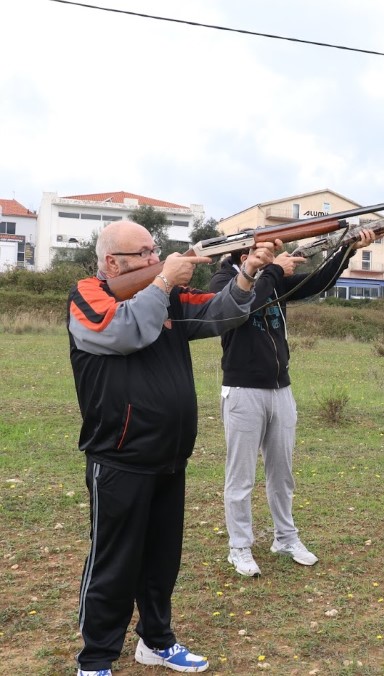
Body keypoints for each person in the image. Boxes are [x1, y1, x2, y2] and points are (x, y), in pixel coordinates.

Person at [68, 220, 276, 676]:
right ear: (112, 263)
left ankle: (156, 641)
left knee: (162, 561)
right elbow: (121, 332)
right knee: (113, 563)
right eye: (142, 253)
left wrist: (248, 273)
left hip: (169, 455)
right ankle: (96, 659)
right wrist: (162, 281)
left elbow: (221, 314)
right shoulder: (89, 295)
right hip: (119, 457)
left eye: (154, 250)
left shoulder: (166, 296)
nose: (153, 258)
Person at [209, 229, 375, 577]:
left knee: (282, 474)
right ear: (245, 255)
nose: (272, 257)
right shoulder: (222, 281)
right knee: (240, 479)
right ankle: (239, 547)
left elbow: (317, 282)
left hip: (280, 389)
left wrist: (346, 250)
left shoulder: (274, 277)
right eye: (265, 252)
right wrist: (271, 271)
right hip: (242, 390)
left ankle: (285, 537)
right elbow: (242, 306)